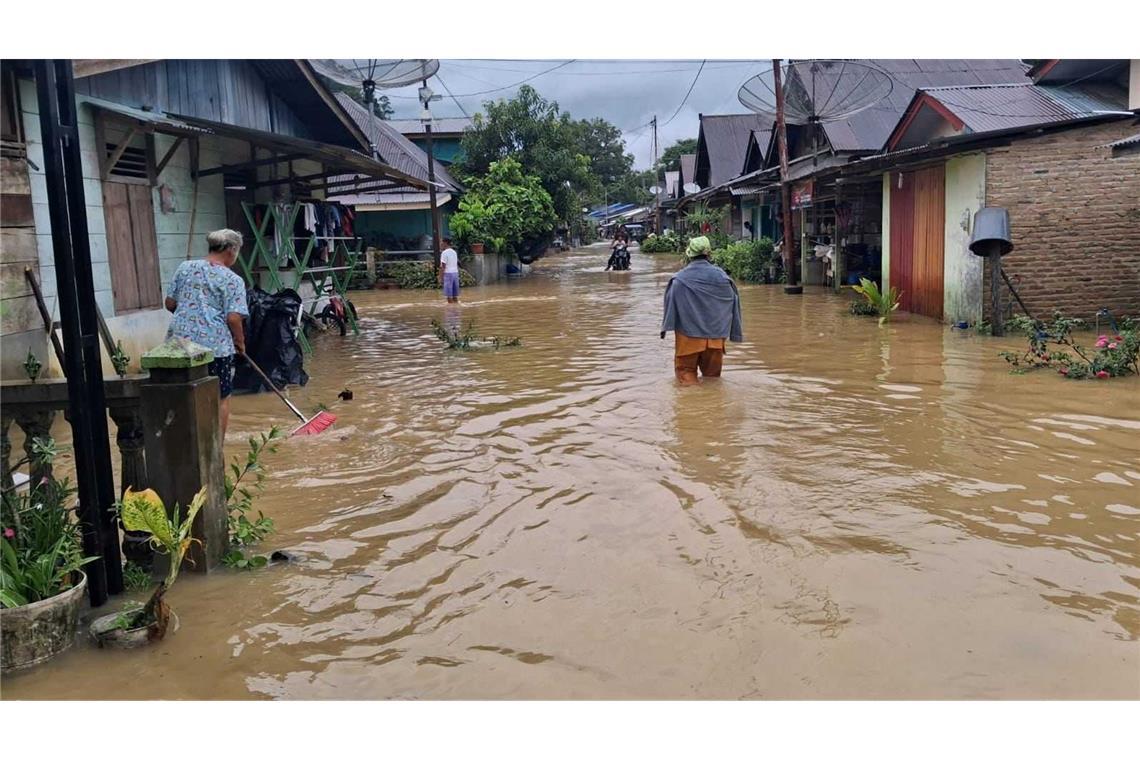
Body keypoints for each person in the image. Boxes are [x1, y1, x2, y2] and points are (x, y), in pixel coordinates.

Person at [165, 229, 249, 435]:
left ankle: (183, 443)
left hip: (178, 347)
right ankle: (215, 451)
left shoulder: (184, 268)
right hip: (216, 349)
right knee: (220, 398)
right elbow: (233, 317)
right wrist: (240, 342)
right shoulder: (233, 280)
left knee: (181, 395)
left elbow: (170, 303)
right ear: (231, 250)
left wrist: (189, 315)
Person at [660, 236, 743, 385]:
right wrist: (735, 333)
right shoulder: (724, 279)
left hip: (688, 339)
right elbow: (733, 308)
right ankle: (714, 407)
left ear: (689, 254)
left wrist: (665, 330)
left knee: (686, 376)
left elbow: (670, 309)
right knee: (713, 381)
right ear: (709, 254)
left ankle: (695, 408)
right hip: (716, 339)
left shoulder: (679, 280)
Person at [439, 236, 460, 303]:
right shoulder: (454, 252)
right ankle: (456, 308)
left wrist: (441, 278)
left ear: (445, 243)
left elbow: (443, 267)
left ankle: (451, 310)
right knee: (455, 296)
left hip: (448, 274)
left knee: (449, 296)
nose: (440, 244)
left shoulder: (444, 253)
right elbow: (455, 264)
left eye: (441, 242)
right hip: (455, 274)